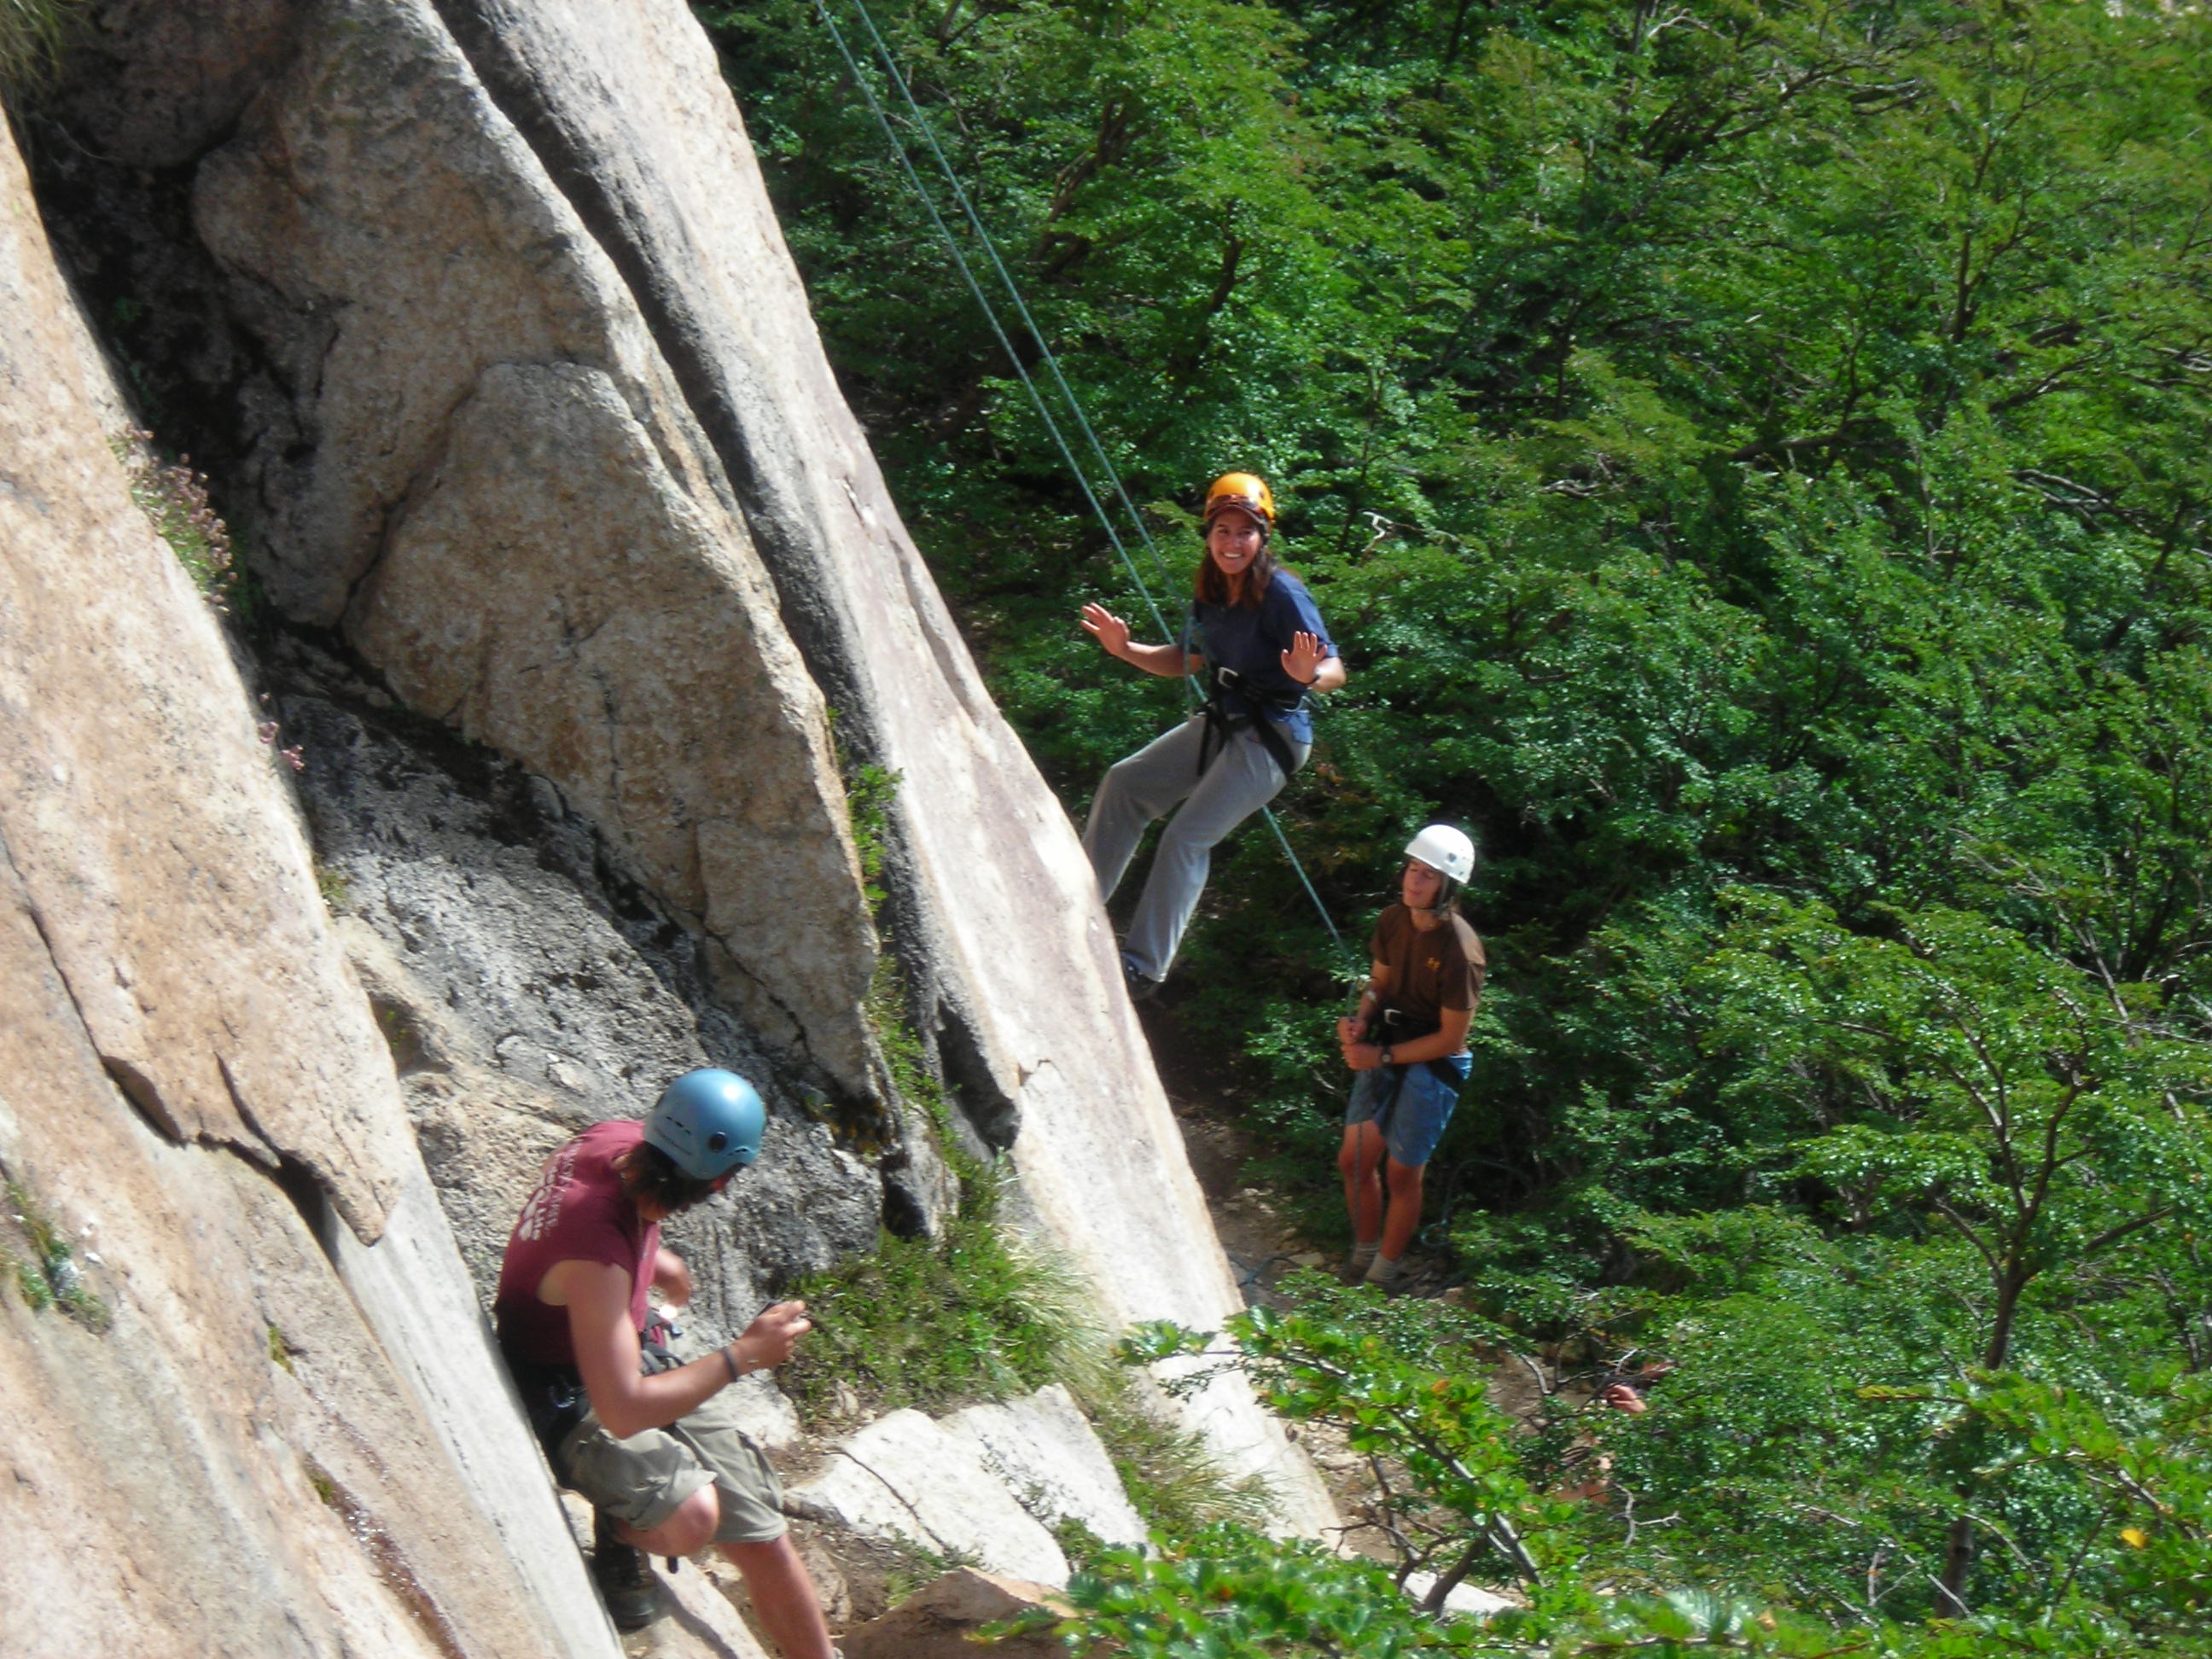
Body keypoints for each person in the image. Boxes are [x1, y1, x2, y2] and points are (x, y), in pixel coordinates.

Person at [495, 1068, 835, 1651]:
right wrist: (744, 1356)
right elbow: (623, 1410)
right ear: (721, 1182)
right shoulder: (599, 1262)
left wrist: (656, 1260)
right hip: (560, 1387)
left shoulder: (613, 1141)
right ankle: (620, 1526)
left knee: (759, 1529)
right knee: (692, 1518)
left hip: (612, 1341)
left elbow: (593, 1225)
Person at [1080, 473, 1346, 998]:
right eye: (1223, 530)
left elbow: (1334, 668)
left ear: (1261, 538)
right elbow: (1188, 659)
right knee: (1125, 783)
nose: (1232, 542)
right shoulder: (1212, 589)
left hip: (1273, 735)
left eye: (1244, 533)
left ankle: (1143, 966)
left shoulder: (1282, 593)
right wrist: (1125, 650)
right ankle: (1078, 899)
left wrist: (1307, 675)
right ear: (1209, 534)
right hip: (1226, 719)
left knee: (1186, 835)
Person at [1335, 825, 1485, 1289]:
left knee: (1401, 1171)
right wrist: (1360, 1018)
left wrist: (1379, 1055)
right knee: (1354, 1161)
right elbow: (1378, 982)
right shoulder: (1393, 920)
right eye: (1412, 870)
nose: (1413, 882)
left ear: (1448, 888)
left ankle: (1384, 1273)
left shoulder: (1462, 952)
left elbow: (1451, 1039)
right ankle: (1361, 1255)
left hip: (1432, 1060)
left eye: (1428, 876)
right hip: (1389, 1040)